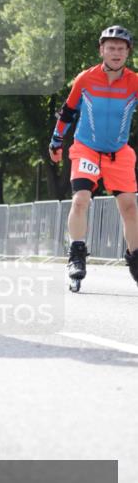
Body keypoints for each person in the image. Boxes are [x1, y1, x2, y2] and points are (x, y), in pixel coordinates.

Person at [49, 25, 138, 289]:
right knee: (80, 200)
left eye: (121, 49)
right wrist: (56, 141)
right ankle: (77, 254)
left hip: (118, 152)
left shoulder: (134, 82)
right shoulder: (86, 79)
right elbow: (67, 112)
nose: (115, 53)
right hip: (86, 148)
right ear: (101, 50)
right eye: (110, 48)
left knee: (130, 207)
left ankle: (135, 260)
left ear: (127, 53)